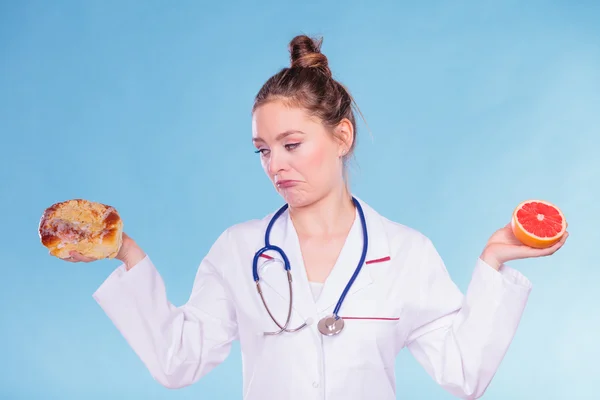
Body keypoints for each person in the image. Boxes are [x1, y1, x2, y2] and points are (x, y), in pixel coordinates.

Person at [68, 35, 568, 399]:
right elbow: (178, 361)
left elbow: (464, 373)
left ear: (342, 137)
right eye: (262, 150)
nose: (276, 165)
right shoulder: (238, 249)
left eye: (291, 144)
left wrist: (493, 260)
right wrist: (127, 252)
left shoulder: (406, 252)